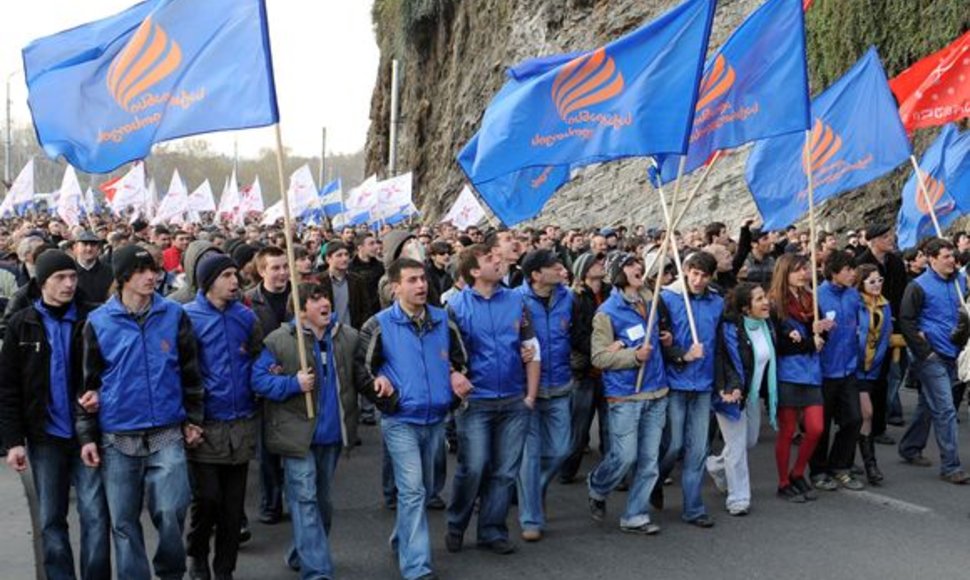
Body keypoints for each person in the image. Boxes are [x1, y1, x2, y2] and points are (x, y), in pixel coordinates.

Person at [76, 244, 205, 580]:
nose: (152, 277)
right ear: (122, 278)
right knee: (123, 521)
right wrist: (88, 435)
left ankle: (170, 571)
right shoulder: (98, 322)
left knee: (172, 509)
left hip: (167, 430)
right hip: (117, 436)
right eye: (142, 271)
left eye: (154, 270)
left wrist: (193, 419)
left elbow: (191, 372)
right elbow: (87, 384)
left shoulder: (174, 314)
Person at [356, 258, 471, 580]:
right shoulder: (378, 324)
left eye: (423, 279)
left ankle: (401, 538)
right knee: (413, 491)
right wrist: (382, 390)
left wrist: (456, 378)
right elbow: (361, 371)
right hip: (401, 420)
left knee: (429, 486)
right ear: (395, 288)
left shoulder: (442, 319)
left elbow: (461, 359)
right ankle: (417, 566)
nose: (421, 285)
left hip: (436, 417)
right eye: (412, 280)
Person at [0, 250, 111, 580]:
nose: (68, 284)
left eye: (73, 277)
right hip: (45, 437)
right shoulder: (22, 324)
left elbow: (112, 370)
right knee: (51, 519)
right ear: (42, 282)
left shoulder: (93, 318)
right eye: (60, 278)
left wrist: (101, 394)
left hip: (87, 435)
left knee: (95, 516)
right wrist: (13, 442)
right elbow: (7, 388)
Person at [251, 284, 359, 578]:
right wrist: (291, 384)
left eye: (325, 297)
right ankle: (317, 571)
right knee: (305, 499)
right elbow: (258, 381)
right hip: (297, 436)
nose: (325, 303)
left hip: (333, 435)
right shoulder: (279, 341)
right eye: (315, 300)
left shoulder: (347, 337)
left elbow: (362, 375)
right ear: (299, 311)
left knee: (322, 503)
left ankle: (301, 551)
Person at [445, 243, 540, 555]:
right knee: (473, 467)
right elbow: (444, 354)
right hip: (476, 401)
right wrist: (454, 376)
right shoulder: (456, 306)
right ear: (474, 271)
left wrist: (529, 396)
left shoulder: (517, 300)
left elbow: (531, 346)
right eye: (490, 259)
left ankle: (491, 530)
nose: (499, 261)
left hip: (514, 400)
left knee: (504, 471)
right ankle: (456, 524)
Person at [183, 254, 263, 580]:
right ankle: (197, 554)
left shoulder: (246, 317)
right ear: (208, 281)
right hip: (204, 424)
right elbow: (180, 371)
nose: (235, 281)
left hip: (240, 422)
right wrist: (187, 418)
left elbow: (259, 358)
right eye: (227, 275)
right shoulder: (186, 318)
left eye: (236, 274)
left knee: (233, 510)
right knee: (208, 501)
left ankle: (225, 569)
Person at [586, 253, 668, 534]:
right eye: (631, 265)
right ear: (618, 272)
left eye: (639, 264)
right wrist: (634, 356)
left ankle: (635, 514)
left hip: (656, 390)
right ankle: (598, 485)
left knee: (649, 460)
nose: (638, 268)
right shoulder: (606, 312)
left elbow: (653, 337)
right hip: (625, 394)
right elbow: (599, 357)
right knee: (626, 456)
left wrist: (663, 339)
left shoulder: (652, 300)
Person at [656, 251, 722, 528]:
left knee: (698, 449)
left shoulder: (717, 302)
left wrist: (725, 382)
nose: (697, 280)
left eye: (704, 276)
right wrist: (682, 354)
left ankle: (693, 507)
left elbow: (721, 346)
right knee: (673, 445)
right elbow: (659, 340)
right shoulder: (667, 298)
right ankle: (655, 479)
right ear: (685, 270)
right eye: (694, 273)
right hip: (676, 381)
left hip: (704, 383)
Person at [897, 239, 970, 483]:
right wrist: (924, 351)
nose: (952, 260)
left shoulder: (961, 282)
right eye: (947, 256)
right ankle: (951, 466)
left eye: (953, 255)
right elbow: (906, 320)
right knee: (946, 410)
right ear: (932, 258)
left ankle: (909, 446)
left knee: (929, 406)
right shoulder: (918, 286)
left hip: (955, 353)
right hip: (931, 357)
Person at [515, 250, 574, 542]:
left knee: (562, 449)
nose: (561, 269)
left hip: (561, 385)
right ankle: (530, 517)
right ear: (536, 274)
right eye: (554, 266)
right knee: (530, 456)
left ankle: (533, 491)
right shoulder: (515, 300)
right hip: (527, 390)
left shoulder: (569, 298)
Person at [709, 282, 776, 516]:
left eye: (764, 297)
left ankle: (716, 465)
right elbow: (724, 361)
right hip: (731, 394)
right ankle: (738, 498)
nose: (766, 302)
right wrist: (730, 387)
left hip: (752, 396)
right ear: (746, 308)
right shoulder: (730, 330)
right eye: (759, 299)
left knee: (749, 442)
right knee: (737, 448)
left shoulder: (767, 326)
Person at [769, 254, 832, 502]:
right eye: (797, 270)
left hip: (812, 372)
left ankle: (798, 472)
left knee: (816, 428)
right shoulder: (775, 303)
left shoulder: (810, 299)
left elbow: (820, 337)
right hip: (788, 372)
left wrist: (821, 333)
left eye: (805, 269)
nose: (804, 273)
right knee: (787, 430)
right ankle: (783, 481)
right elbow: (780, 344)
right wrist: (808, 341)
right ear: (785, 273)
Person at [244, 246, 293, 524]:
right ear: (262, 271)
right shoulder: (249, 301)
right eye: (275, 267)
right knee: (268, 450)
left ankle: (297, 497)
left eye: (285, 266)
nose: (283, 272)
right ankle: (270, 503)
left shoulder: (298, 296)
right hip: (264, 384)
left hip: (297, 380)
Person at [810, 251, 865, 491]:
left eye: (853, 269)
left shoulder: (854, 295)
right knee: (821, 426)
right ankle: (818, 470)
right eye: (847, 270)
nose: (853, 274)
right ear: (834, 272)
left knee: (854, 419)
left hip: (849, 369)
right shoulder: (816, 297)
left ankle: (841, 466)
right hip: (823, 371)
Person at [560, 252, 611, 483]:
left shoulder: (611, 293)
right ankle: (566, 470)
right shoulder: (575, 298)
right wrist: (601, 352)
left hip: (610, 370)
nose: (601, 264)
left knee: (610, 428)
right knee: (579, 428)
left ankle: (614, 473)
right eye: (595, 262)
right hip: (586, 371)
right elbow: (576, 334)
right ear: (583, 270)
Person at [855, 264, 890, 485]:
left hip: (873, 368)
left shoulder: (885, 305)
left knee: (858, 417)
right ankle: (871, 466)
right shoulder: (855, 303)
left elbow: (885, 336)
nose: (877, 285)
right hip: (854, 367)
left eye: (879, 280)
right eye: (871, 281)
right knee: (866, 413)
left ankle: (847, 460)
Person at [72, 231, 113, 304]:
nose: (89, 248)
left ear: (98, 249)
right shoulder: (69, 271)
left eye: (93, 245)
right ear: (75, 248)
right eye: (85, 244)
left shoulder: (109, 271)